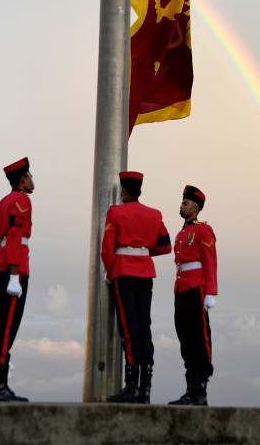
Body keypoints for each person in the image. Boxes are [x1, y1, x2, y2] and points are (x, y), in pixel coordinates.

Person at [101, 171, 171, 404]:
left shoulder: (115, 212)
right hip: (145, 271)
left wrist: (110, 271)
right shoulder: (154, 214)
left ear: (123, 191)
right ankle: (145, 387)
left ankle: (131, 386)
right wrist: (142, 250)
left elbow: (107, 248)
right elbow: (165, 246)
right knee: (144, 328)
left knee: (129, 329)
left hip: (123, 271)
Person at [0, 157, 34, 402]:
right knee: (7, 328)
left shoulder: (2, 202)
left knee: (0, 324)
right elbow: (15, 235)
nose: (32, 181)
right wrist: (14, 275)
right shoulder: (21, 200)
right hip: (13, 267)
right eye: (30, 177)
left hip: (2, 266)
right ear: (22, 180)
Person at [168, 184, 217, 406]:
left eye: (185, 203)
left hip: (196, 288)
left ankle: (200, 389)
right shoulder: (182, 232)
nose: (181, 206)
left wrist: (211, 293)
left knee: (199, 338)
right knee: (185, 341)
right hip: (181, 289)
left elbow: (210, 262)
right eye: (181, 202)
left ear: (195, 206)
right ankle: (190, 389)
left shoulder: (203, 230)